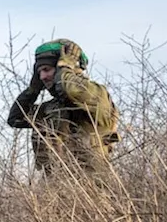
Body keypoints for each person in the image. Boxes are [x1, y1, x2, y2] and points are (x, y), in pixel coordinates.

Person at [7, 39, 119, 174]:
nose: (42, 77)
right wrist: (33, 89)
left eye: (47, 70)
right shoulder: (51, 108)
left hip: (91, 189)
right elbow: (16, 118)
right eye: (39, 73)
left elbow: (71, 90)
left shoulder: (97, 95)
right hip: (54, 189)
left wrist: (65, 67)